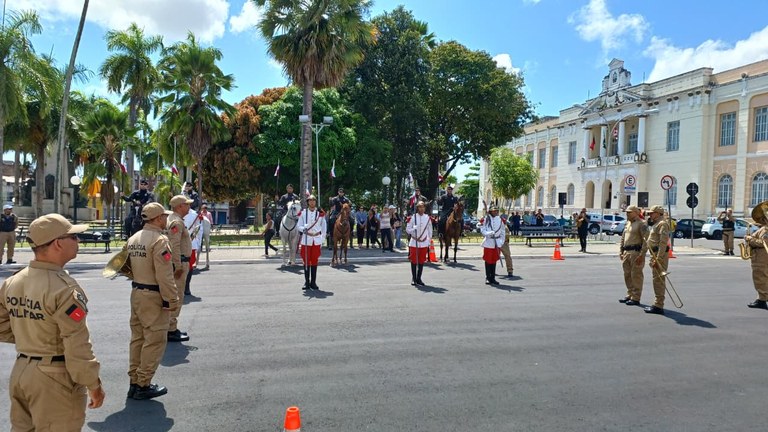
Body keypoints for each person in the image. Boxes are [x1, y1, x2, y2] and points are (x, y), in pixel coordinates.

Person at [0, 214, 105, 429]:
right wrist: (93, 384)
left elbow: (2, 326)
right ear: (58, 243)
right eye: (73, 237)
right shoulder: (64, 288)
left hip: (21, 371)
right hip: (54, 377)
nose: (78, 241)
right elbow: (77, 345)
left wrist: (31, 336)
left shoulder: (13, 281)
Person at [125, 202, 178, 400]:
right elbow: (165, 275)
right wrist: (172, 299)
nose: (166, 219)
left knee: (138, 338)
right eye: (164, 216)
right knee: (154, 340)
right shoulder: (159, 241)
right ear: (157, 219)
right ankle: (143, 384)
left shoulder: (134, 238)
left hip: (137, 292)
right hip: (154, 296)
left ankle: (134, 381)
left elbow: (126, 268)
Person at [167, 195, 193, 341]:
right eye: (186, 204)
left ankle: (170, 327)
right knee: (177, 296)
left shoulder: (175, 220)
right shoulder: (176, 222)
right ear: (179, 207)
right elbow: (174, 244)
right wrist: (177, 265)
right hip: (180, 263)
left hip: (181, 261)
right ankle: (171, 329)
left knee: (175, 295)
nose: (188, 207)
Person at [618, 205, 648, 306]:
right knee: (627, 274)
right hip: (627, 252)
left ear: (636, 212)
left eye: (629, 212)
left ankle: (636, 297)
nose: (627, 214)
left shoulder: (642, 224)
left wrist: (642, 254)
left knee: (636, 275)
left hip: (636, 252)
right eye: (626, 212)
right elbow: (623, 238)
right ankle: (630, 294)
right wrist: (621, 251)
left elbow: (646, 240)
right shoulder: (628, 223)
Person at [645, 205, 670, 315]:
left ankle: (659, 305)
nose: (650, 214)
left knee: (659, 280)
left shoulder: (662, 224)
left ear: (658, 213)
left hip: (659, 255)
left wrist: (658, 259)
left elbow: (663, 243)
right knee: (656, 280)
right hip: (654, 254)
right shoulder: (656, 223)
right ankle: (657, 303)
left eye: (652, 213)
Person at [298, 195, 327, 290]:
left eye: (313, 200)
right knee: (306, 261)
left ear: (315, 202)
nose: (312, 202)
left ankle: (313, 282)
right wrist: (303, 228)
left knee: (314, 261)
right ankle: (306, 282)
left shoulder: (320, 214)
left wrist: (322, 239)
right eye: (310, 200)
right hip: (307, 238)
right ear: (307, 202)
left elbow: (323, 227)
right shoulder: (303, 213)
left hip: (316, 239)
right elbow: (299, 226)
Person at [745, 201, 768, 309]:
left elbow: (763, 243)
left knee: (760, 277)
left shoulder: (766, 230)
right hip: (758, 256)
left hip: (761, 257)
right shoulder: (764, 228)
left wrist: (750, 239)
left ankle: (762, 299)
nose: (762, 219)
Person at [406, 201, 432, 286]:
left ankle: (419, 278)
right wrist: (413, 228)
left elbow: (429, 230)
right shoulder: (413, 217)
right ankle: (413, 278)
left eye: (423, 207)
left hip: (423, 242)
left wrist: (428, 240)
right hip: (414, 242)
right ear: (417, 208)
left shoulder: (427, 218)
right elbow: (408, 230)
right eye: (420, 207)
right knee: (413, 261)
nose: (421, 208)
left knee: (421, 261)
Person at [481, 205, 504, 285]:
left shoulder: (500, 220)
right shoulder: (486, 219)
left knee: (494, 260)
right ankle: (488, 277)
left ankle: (493, 278)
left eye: (496, 211)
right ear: (490, 211)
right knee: (488, 260)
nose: (495, 212)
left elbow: (503, 231)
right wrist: (489, 233)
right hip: (489, 242)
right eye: (493, 211)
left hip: (497, 242)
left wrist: (502, 241)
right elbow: (483, 230)